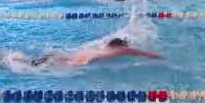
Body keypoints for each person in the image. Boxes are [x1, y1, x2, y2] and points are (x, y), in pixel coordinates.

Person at [28, 37, 162, 67]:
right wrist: (159, 57)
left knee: (54, 57)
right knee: (63, 63)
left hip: (81, 56)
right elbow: (143, 53)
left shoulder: (102, 47)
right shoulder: (123, 49)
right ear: (120, 46)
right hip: (87, 62)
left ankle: (33, 62)